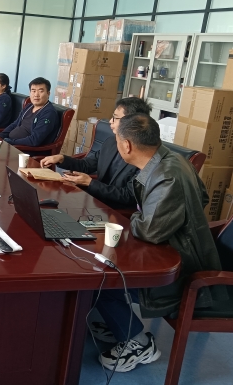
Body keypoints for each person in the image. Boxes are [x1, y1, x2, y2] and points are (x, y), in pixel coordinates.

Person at [93, 113, 226, 373]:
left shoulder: (167, 176)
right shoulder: (173, 161)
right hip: (179, 253)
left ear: (126, 145)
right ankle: (119, 324)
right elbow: (203, 197)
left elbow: (149, 231)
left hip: (183, 272)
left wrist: (137, 218)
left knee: (103, 281)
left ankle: (138, 343)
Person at [39, 97, 151, 209]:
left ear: (132, 122)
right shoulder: (111, 142)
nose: (110, 121)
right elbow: (86, 165)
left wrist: (90, 183)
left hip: (116, 210)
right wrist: (62, 159)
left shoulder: (143, 156)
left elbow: (128, 196)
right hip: (95, 201)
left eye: (115, 118)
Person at [0, 77, 58, 147]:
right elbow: (15, 124)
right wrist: (0, 136)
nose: (36, 95)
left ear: (48, 93)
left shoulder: (49, 113)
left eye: (41, 91)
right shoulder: (29, 106)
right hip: (12, 144)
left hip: (24, 149)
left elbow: (34, 140)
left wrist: (11, 142)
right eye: (33, 91)